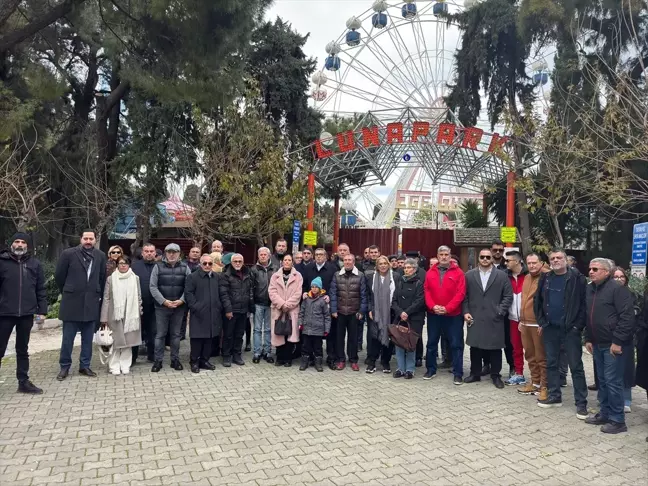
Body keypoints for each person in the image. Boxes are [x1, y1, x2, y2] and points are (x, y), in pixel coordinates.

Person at [534, 249, 589, 419]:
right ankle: (554, 396)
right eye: (553, 258)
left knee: (576, 367)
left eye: (559, 257)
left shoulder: (577, 278)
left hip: (570, 330)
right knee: (551, 363)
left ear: (566, 260)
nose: (556, 260)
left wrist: (577, 327)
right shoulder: (546, 278)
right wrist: (542, 322)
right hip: (550, 328)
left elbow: (583, 304)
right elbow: (538, 301)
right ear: (549, 261)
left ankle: (581, 403)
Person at [583, 259, 635, 434]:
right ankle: (604, 414)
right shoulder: (590, 289)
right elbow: (588, 315)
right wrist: (588, 338)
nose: (591, 271)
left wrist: (618, 341)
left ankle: (618, 420)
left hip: (613, 345)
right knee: (603, 381)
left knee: (613, 382)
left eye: (595, 269)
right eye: (590, 268)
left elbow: (627, 318)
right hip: (597, 343)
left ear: (607, 272)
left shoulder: (617, 290)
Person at [56, 230, 107, 381]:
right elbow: (59, 276)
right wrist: (68, 290)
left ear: (95, 240)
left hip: (91, 302)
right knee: (68, 338)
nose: (88, 241)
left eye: (91, 239)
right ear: (81, 239)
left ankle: (85, 365)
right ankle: (64, 366)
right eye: (86, 238)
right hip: (72, 302)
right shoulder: (68, 254)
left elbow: (101, 278)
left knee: (87, 338)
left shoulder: (100, 256)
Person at [0, 233, 47, 393]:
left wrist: (42, 310)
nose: (20, 244)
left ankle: (23, 382)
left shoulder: (34, 264)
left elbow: (40, 289)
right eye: (17, 241)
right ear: (11, 244)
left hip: (26, 314)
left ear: (27, 245)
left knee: (22, 349)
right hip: (4, 313)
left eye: (23, 242)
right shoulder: (2, 262)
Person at [463, 248, 513, 389]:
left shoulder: (502, 276)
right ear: (478, 258)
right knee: (475, 347)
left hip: (495, 318)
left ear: (492, 259)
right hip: (475, 317)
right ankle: (475, 373)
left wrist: (500, 311)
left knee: (495, 348)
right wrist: (465, 311)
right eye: (482, 257)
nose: (485, 259)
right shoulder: (469, 275)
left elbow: (508, 296)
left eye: (488, 257)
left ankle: (496, 375)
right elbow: (464, 296)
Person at [424, 246, 466, 385]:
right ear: (437, 255)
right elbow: (427, 291)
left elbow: (460, 293)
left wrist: (448, 308)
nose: (443, 257)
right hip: (434, 314)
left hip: (453, 315)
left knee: (456, 344)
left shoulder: (459, 273)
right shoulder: (430, 272)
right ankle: (430, 369)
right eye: (441, 254)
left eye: (446, 254)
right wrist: (432, 306)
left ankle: (458, 372)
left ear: (450, 256)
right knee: (431, 343)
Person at [184, 254, 230, 373]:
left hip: (213, 312)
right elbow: (189, 294)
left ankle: (204, 360)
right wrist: (196, 307)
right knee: (197, 338)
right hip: (198, 313)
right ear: (200, 263)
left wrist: (219, 306)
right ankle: (194, 361)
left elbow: (222, 293)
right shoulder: (192, 277)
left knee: (209, 338)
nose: (207, 265)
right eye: (205, 263)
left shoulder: (216, 277)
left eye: (210, 263)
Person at [149, 243, 191, 372]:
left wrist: (181, 300)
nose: (172, 254)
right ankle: (158, 361)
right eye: (169, 252)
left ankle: (175, 360)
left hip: (178, 307)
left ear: (179, 254)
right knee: (160, 335)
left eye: (175, 252)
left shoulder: (185, 267)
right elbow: (153, 286)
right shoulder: (158, 267)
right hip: (162, 307)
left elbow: (189, 287)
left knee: (176, 335)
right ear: (165, 253)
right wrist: (164, 301)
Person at [100, 256, 142, 375]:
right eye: (120, 263)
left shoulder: (135, 278)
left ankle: (125, 365)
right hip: (115, 314)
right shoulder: (111, 279)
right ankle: (114, 366)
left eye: (125, 263)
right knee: (115, 342)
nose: (123, 265)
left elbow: (138, 297)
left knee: (128, 342)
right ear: (117, 265)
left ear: (129, 265)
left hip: (131, 315)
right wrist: (104, 318)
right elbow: (106, 298)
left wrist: (139, 311)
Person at [517, 253, 549, 400]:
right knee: (530, 355)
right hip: (525, 323)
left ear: (541, 263)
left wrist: (544, 322)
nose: (531, 265)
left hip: (538, 324)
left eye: (534, 263)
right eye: (529, 263)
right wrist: (521, 320)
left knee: (541, 357)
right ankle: (535, 383)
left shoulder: (547, 277)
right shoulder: (527, 277)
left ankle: (545, 386)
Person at [330, 254, 367, 371]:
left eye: (349, 260)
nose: (347, 262)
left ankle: (353, 360)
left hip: (354, 312)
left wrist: (362, 310)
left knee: (353, 338)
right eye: (345, 260)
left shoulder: (360, 275)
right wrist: (334, 309)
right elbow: (333, 293)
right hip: (340, 312)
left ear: (354, 261)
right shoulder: (337, 275)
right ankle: (341, 359)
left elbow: (363, 295)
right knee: (339, 338)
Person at [302, 248, 337, 367]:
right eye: (316, 255)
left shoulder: (332, 268)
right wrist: (305, 293)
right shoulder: (308, 268)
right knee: (312, 334)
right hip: (311, 304)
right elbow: (305, 284)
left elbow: (334, 286)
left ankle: (331, 358)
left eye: (321, 255)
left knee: (330, 333)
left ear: (326, 257)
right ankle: (311, 358)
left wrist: (329, 297)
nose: (318, 257)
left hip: (326, 304)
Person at [391, 258, 425, 379]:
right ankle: (400, 368)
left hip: (414, 318)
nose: (406, 270)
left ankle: (410, 369)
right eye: (405, 268)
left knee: (411, 344)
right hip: (400, 318)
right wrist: (400, 312)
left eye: (409, 267)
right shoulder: (400, 282)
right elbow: (394, 301)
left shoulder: (419, 284)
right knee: (399, 343)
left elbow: (419, 301)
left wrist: (407, 312)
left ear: (415, 269)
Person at [610, 267, 639, 413]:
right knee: (611, 371)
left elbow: (636, 313)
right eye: (615, 276)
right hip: (610, 337)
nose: (619, 279)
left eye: (621, 277)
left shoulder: (631, 294)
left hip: (626, 338)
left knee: (625, 371)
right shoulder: (608, 293)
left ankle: (626, 400)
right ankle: (611, 399)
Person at [269, 254, 303, 367]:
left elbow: (298, 293)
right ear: (282, 262)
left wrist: (288, 305)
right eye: (285, 260)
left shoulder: (298, 276)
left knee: (289, 333)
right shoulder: (275, 276)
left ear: (292, 262)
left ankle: (288, 358)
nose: (287, 262)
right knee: (279, 333)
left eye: (289, 260)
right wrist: (281, 304)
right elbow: (272, 292)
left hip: (291, 310)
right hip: (278, 309)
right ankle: (280, 358)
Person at [220, 254, 254, 366]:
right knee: (228, 334)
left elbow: (250, 291)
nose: (238, 263)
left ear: (243, 262)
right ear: (231, 262)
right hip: (231, 310)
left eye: (240, 261)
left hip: (243, 310)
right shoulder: (226, 275)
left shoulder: (247, 273)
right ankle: (226, 356)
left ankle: (237, 354)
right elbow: (224, 294)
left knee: (239, 334)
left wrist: (250, 308)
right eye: (235, 261)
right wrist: (228, 310)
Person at [366, 256, 396, 373]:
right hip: (375, 312)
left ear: (388, 264)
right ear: (377, 266)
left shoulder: (395, 277)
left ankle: (385, 362)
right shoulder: (371, 278)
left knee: (388, 336)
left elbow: (397, 295)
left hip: (390, 313)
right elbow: (368, 296)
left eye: (385, 263)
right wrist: (370, 309)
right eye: (380, 264)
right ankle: (372, 362)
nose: (383, 265)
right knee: (374, 337)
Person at [131, 243, 157, 364]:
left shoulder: (160, 266)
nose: (149, 253)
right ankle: (133, 357)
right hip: (138, 305)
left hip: (155, 305)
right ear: (142, 253)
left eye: (151, 251)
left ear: (155, 253)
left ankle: (152, 355)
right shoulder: (135, 267)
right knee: (137, 331)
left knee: (153, 331)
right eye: (146, 251)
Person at [250, 247, 277, 364]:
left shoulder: (275, 269)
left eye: (265, 254)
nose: (263, 256)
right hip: (258, 303)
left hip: (271, 304)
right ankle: (256, 352)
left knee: (268, 329)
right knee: (256, 329)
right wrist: (251, 302)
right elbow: (250, 288)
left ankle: (267, 352)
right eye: (261, 254)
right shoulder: (253, 269)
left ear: (269, 256)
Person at [298, 277, 331, 371]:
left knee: (318, 347)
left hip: (318, 329)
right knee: (305, 346)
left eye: (316, 287)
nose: (314, 288)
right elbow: (301, 313)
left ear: (320, 288)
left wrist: (326, 329)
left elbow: (327, 316)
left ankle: (318, 362)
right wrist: (300, 323)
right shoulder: (306, 299)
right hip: (307, 328)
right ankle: (305, 361)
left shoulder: (323, 300)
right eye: (312, 287)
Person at [505, 251, 528, 386]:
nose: (506, 263)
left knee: (533, 350)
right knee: (516, 348)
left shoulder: (528, 276)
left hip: (529, 320)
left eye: (509, 260)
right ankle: (519, 373)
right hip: (513, 318)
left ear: (518, 261)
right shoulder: (505, 277)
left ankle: (539, 377)